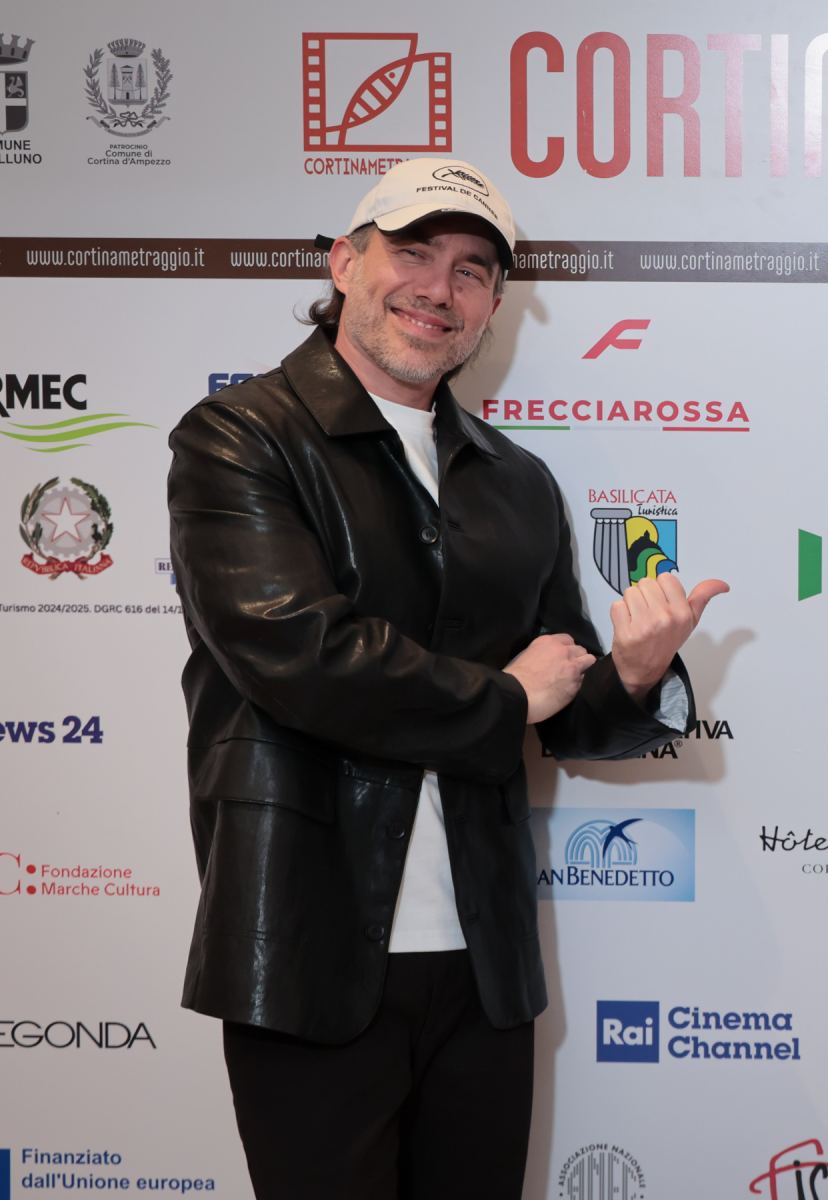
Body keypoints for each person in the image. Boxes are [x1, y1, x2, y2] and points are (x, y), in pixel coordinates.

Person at [167, 157, 728, 1199]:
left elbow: (571, 715)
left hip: (485, 966)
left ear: (494, 305)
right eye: (414, 252)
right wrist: (508, 696)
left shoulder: (518, 481)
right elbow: (300, 655)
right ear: (345, 263)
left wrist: (636, 673)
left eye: (472, 269)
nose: (439, 287)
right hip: (307, 951)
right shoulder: (241, 436)